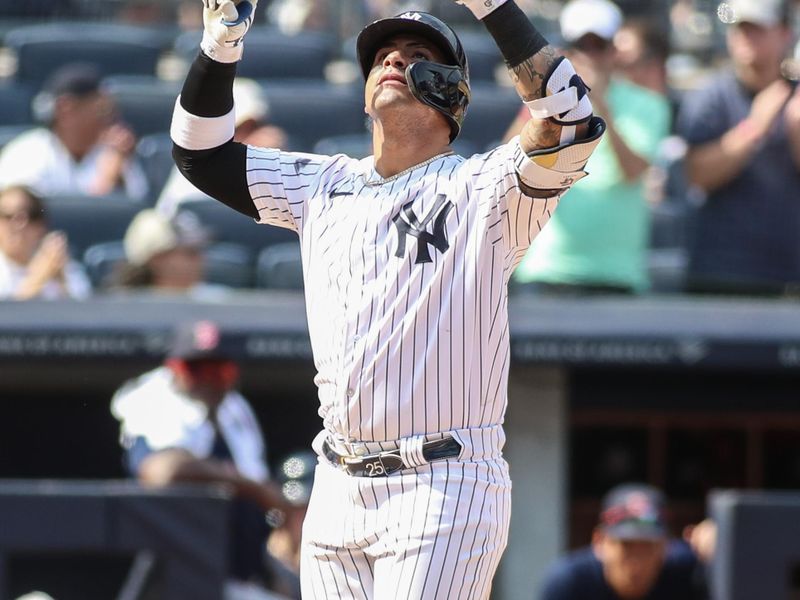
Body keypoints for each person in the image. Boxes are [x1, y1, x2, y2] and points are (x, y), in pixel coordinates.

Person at [170, 0, 604, 597]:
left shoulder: (486, 187)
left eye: (418, 55)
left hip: (444, 481)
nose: (393, 59)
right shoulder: (322, 184)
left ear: (454, 92)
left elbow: (573, 120)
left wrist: (493, 8)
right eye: (381, 56)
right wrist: (220, 47)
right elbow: (200, 152)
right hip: (338, 484)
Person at [110, 319, 292, 600]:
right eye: (196, 370)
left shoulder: (236, 409)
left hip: (237, 574)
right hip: (173, 578)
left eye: (219, 371)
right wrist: (251, 487)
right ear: (174, 369)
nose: (208, 380)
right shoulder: (152, 397)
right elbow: (161, 472)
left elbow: (260, 492)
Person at [507, 0, 672, 295]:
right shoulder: (543, 107)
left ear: (613, 52)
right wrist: (543, 104)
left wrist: (599, 104)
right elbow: (509, 167)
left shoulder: (649, 104)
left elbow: (634, 170)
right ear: (565, 51)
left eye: (600, 46)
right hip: (546, 270)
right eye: (581, 46)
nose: (590, 56)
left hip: (617, 274)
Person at [676, 0, 800, 296]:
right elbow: (697, 176)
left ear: (784, 33)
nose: (745, 37)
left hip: (789, 275)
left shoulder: (796, 100)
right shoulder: (710, 96)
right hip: (721, 274)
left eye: (757, 29)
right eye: (740, 29)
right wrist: (754, 127)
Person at [0, 63, 149, 201]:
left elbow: (131, 212)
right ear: (65, 109)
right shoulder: (27, 153)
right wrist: (107, 179)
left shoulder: (113, 153)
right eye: (102, 109)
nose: (110, 118)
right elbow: (22, 221)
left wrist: (117, 176)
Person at [539, 483, 709, 600]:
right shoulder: (571, 582)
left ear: (666, 546)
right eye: (626, 545)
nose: (637, 561)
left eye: (647, 547)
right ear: (599, 541)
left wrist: (722, 548)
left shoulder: (689, 573)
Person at [156, 78, 288, 217]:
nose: (252, 137)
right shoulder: (198, 160)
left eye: (253, 128)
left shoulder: (273, 159)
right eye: (240, 129)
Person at [110, 208, 231, 298]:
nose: (201, 259)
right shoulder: (123, 311)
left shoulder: (218, 301)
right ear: (157, 258)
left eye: (200, 250)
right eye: (191, 252)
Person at [0, 185, 91, 300]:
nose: (20, 223)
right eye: (8, 216)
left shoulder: (61, 263)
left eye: (32, 216)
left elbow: (85, 311)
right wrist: (38, 278)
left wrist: (62, 281)